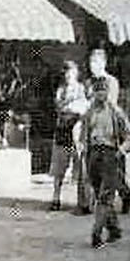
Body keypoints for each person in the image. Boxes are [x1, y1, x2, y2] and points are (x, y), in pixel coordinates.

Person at [81, 73, 129, 247]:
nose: (100, 94)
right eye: (97, 91)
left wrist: (121, 151)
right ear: (93, 93)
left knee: (105, 197)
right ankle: (114, 229)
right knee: (98, 192)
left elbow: (128, 135)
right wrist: (84, 153)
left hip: (110, 154)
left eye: (103, 91)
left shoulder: (116, 112)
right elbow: (83, 135)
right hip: (93, 154)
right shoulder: (89, 112)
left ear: (108, 92)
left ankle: (96, 233)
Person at [52, 59, 92, 212]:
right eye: (66, 72)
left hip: (77, 130)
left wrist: (74, 106)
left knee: (81, 166)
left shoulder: (81, 88)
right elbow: (59, 107)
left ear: (76, 74)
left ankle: (82, 201)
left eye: (71, 72)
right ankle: (56, 198)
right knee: (59, 167)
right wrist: (71, 105)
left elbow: (85, 107)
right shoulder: (61, 90)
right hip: (62, 130)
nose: (69, 75)